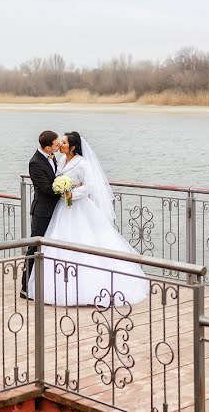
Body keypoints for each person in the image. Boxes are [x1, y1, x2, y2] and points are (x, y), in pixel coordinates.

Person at [26, 131, 148, 306]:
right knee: (56, 244)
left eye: (64, 142)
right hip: (61, 209)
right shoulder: (59, 160)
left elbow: (89, 186)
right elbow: (54, 180)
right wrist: (63, 191)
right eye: (59, 142)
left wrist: (70, 193)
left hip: (78, 206)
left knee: (85, 241)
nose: (60, 144)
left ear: (73, 147)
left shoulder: (82, 164)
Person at [20, 130, 62, 298]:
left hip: (55, 210)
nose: (59, 145)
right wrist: (67, 190)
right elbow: (46, 188)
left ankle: (45, 284)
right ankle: (25, 287)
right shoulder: (35, 163)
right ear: (47, 147)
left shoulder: (52, 157)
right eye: (56, 143)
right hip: (42, 211)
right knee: (35, 247)